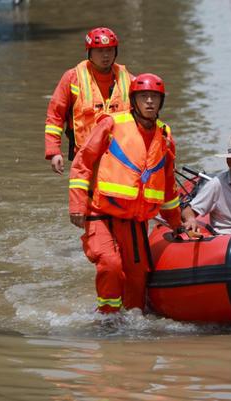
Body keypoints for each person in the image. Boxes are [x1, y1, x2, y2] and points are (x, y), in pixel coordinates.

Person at [68, 73, 181, 313]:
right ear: (134, 100)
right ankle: (107, 320)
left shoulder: (165, 135)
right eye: (144, 97)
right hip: (100, 213)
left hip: (134, 220)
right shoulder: (112, 124)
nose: (149, 102)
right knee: (110, 265)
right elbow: (83, 161)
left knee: (137, 277)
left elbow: (168, 185)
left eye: (154, 97)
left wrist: (177, 224)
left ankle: (133, 324)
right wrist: (77, 206)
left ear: (161, 102)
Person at [45, 27, 133, 175]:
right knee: (82, 197)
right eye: (99, 51)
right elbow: (55, 116)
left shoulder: (128, 80)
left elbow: (145, 116)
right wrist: (54, 152)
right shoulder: (72, 78)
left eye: (110, 50)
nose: (105, 55)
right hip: (84, 156)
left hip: (121, 157)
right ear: (89, 53)